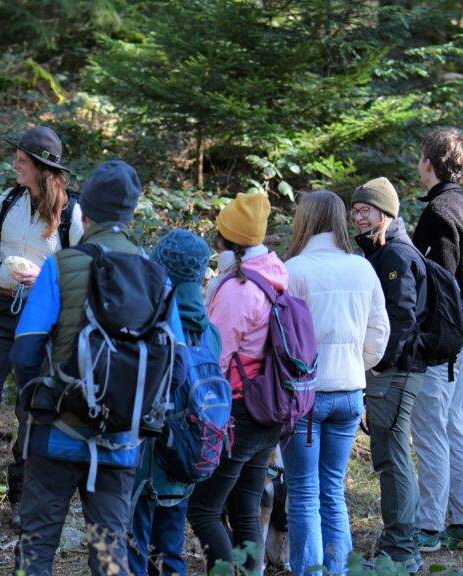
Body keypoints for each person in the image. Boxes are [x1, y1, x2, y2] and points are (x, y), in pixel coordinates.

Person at [10, 160, 187, 576]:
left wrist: (40, 399)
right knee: (110, 555)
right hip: (121, 442)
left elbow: (24, 351)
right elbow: (177, 367)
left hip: (55, 433)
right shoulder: (157, 277)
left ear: (84, 211)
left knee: (36, 545)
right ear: (131, 214)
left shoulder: (60, 266)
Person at [0, 126, 82, 526]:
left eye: (21, 161)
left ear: (40, 167)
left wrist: (46, 279)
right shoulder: (9, 200)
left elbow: (85, 268)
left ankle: (22, 494)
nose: (15, 165)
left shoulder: (71, 212)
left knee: (31, 407)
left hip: (42, 316)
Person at [283, 190, 389, 576]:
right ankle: (341, 570)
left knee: (304, 492)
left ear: (304, 220)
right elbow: (379, 332)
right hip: (350, 392)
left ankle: (310, 572)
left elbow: (280, 338)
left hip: (305, 396)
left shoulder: (294, 270)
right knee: (332, 490)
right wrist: (355, 366)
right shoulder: (361, 268)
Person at [187, 193, 285, 574]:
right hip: (268, 407)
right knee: (244, 506)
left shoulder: (238, 288)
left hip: (239, 412)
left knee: (203, 508)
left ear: (226, 238)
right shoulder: (274, 273)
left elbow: (217, 357)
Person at [411, 127, 463, 552]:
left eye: (421, 157)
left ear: (429, 162)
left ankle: (427, 528)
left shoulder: (439, 213)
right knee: (450, 425)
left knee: (430, 431)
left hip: (446, 336)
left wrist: (428, 340)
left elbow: (438, 285)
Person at [128, 229, 220, 576]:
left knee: (134, 551)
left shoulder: (151, 320)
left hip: (146, 458)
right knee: (170, 550)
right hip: (186, 456)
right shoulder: (211, 332)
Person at [351, 177, 428, 574]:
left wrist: (379, 364)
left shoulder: (396, 254)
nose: (359, 218)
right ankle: (399, 545)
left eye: (366, 210)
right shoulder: (383, 251)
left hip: (396, 372)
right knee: (390, 456)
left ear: (385, 212)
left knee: (392, 458)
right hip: (392, 370)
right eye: (356, 211)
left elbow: (403, 318)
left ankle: (400, 552)